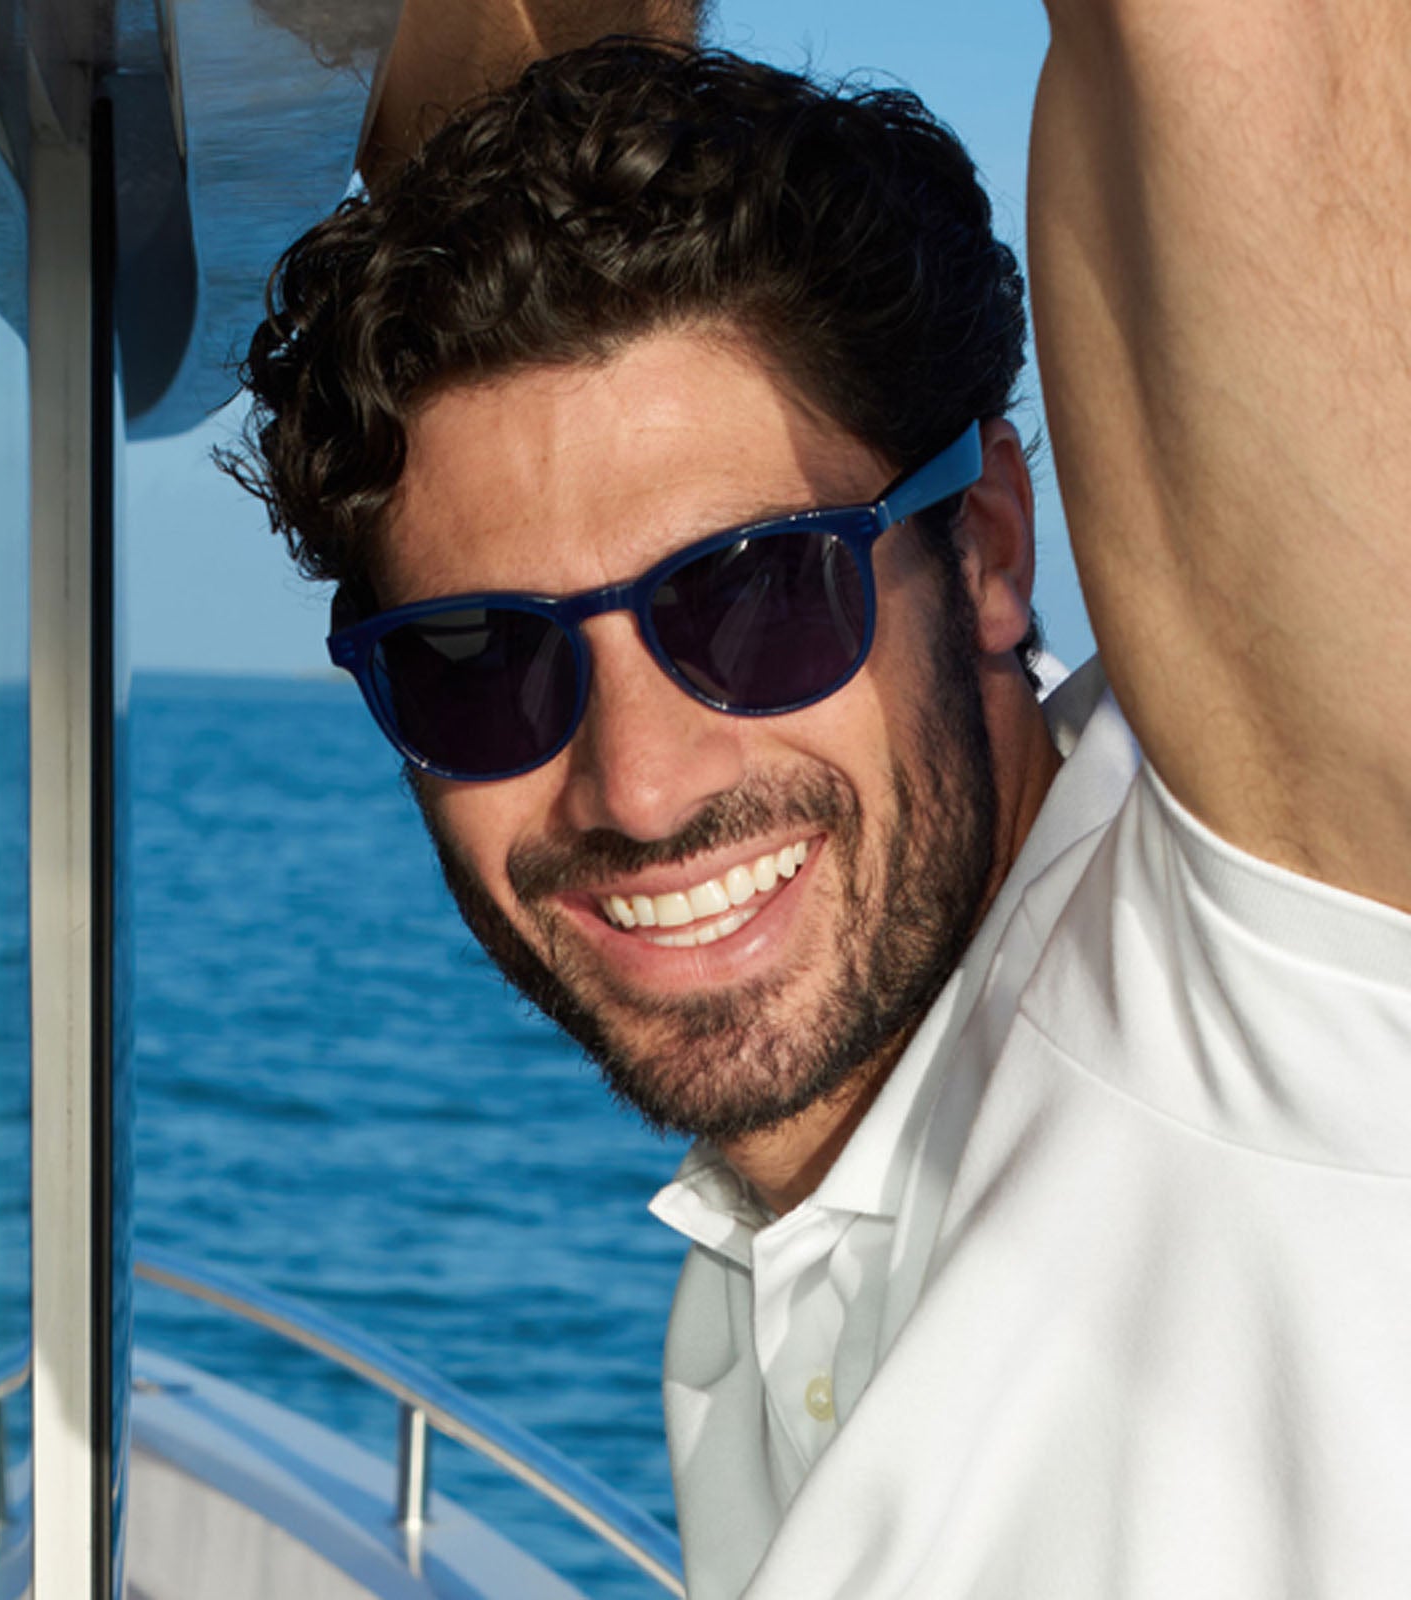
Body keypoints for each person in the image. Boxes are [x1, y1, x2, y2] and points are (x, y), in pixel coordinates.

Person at [228, 15, 1411, 1597]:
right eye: (476, 663)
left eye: (756, 600)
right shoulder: (744, 1287)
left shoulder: (1271, 991)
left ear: (987, 547)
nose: (639, 789)